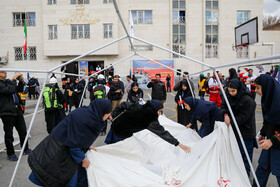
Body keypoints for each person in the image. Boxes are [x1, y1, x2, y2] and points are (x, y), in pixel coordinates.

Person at [28, 99, 112, 187]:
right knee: (66, 181)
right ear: (101, 111)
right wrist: (84, 159)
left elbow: (77, 138)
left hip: (59, 148)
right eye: (108, 113)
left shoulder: (87, 114)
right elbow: (74, 146)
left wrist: (86, 145)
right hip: (60, 153)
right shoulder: (87, 121)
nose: (109, 115)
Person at [110, 100, 191, 153]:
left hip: (118, 127)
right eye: (159, 111)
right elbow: (163, 133)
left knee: (115, 149)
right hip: (121, 133)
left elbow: (124, 104)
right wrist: (179, 144)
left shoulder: (139, 107)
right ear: (152, 109)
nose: (160, 114)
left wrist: (113, 115)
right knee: (118, 151)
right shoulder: (150, 121)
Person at [220, 79, 256, 176]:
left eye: (233, 91)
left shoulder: (248, 100)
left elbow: (244, 117)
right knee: (235, 152)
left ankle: (245, 173)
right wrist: (225, 115)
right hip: (233, 130)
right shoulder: (227, 96)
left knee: (245, 154)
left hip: (246, 130)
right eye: (229, 90)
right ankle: (236, 173)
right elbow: (223, 106)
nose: (231, 93)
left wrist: (231, 121)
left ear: (239, 89)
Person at [252, 75, 280, 187]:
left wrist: (272, 140)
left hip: (277, 146)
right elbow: (268, 121)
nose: (256, 91)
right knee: (262, 170)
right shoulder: (268, 100)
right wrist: (263, 133)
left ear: (267, 87)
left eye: (258, 88)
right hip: (270, 144)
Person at [0, 70, 32, 161]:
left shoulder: (8, 82)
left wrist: (20, 81)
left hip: (16, 109)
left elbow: (18, 89)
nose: (5, 73)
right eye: (3, 72)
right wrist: (14, 79)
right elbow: (10, 90)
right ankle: (10, 153)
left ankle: (25, 149)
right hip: (7, 111)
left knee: (23, 131)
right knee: (9, 134)